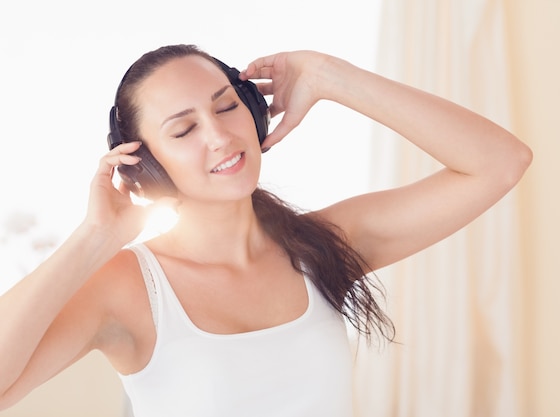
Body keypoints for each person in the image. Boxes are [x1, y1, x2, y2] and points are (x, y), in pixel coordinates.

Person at [0, 44, 532, 416]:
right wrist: (94, 237)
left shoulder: (322, 246)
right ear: (147, 163)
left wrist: (328, 76)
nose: (219, 136)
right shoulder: (126, 286)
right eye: (183, 129)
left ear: (254, 112)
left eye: (228, 107)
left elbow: (499, 163)